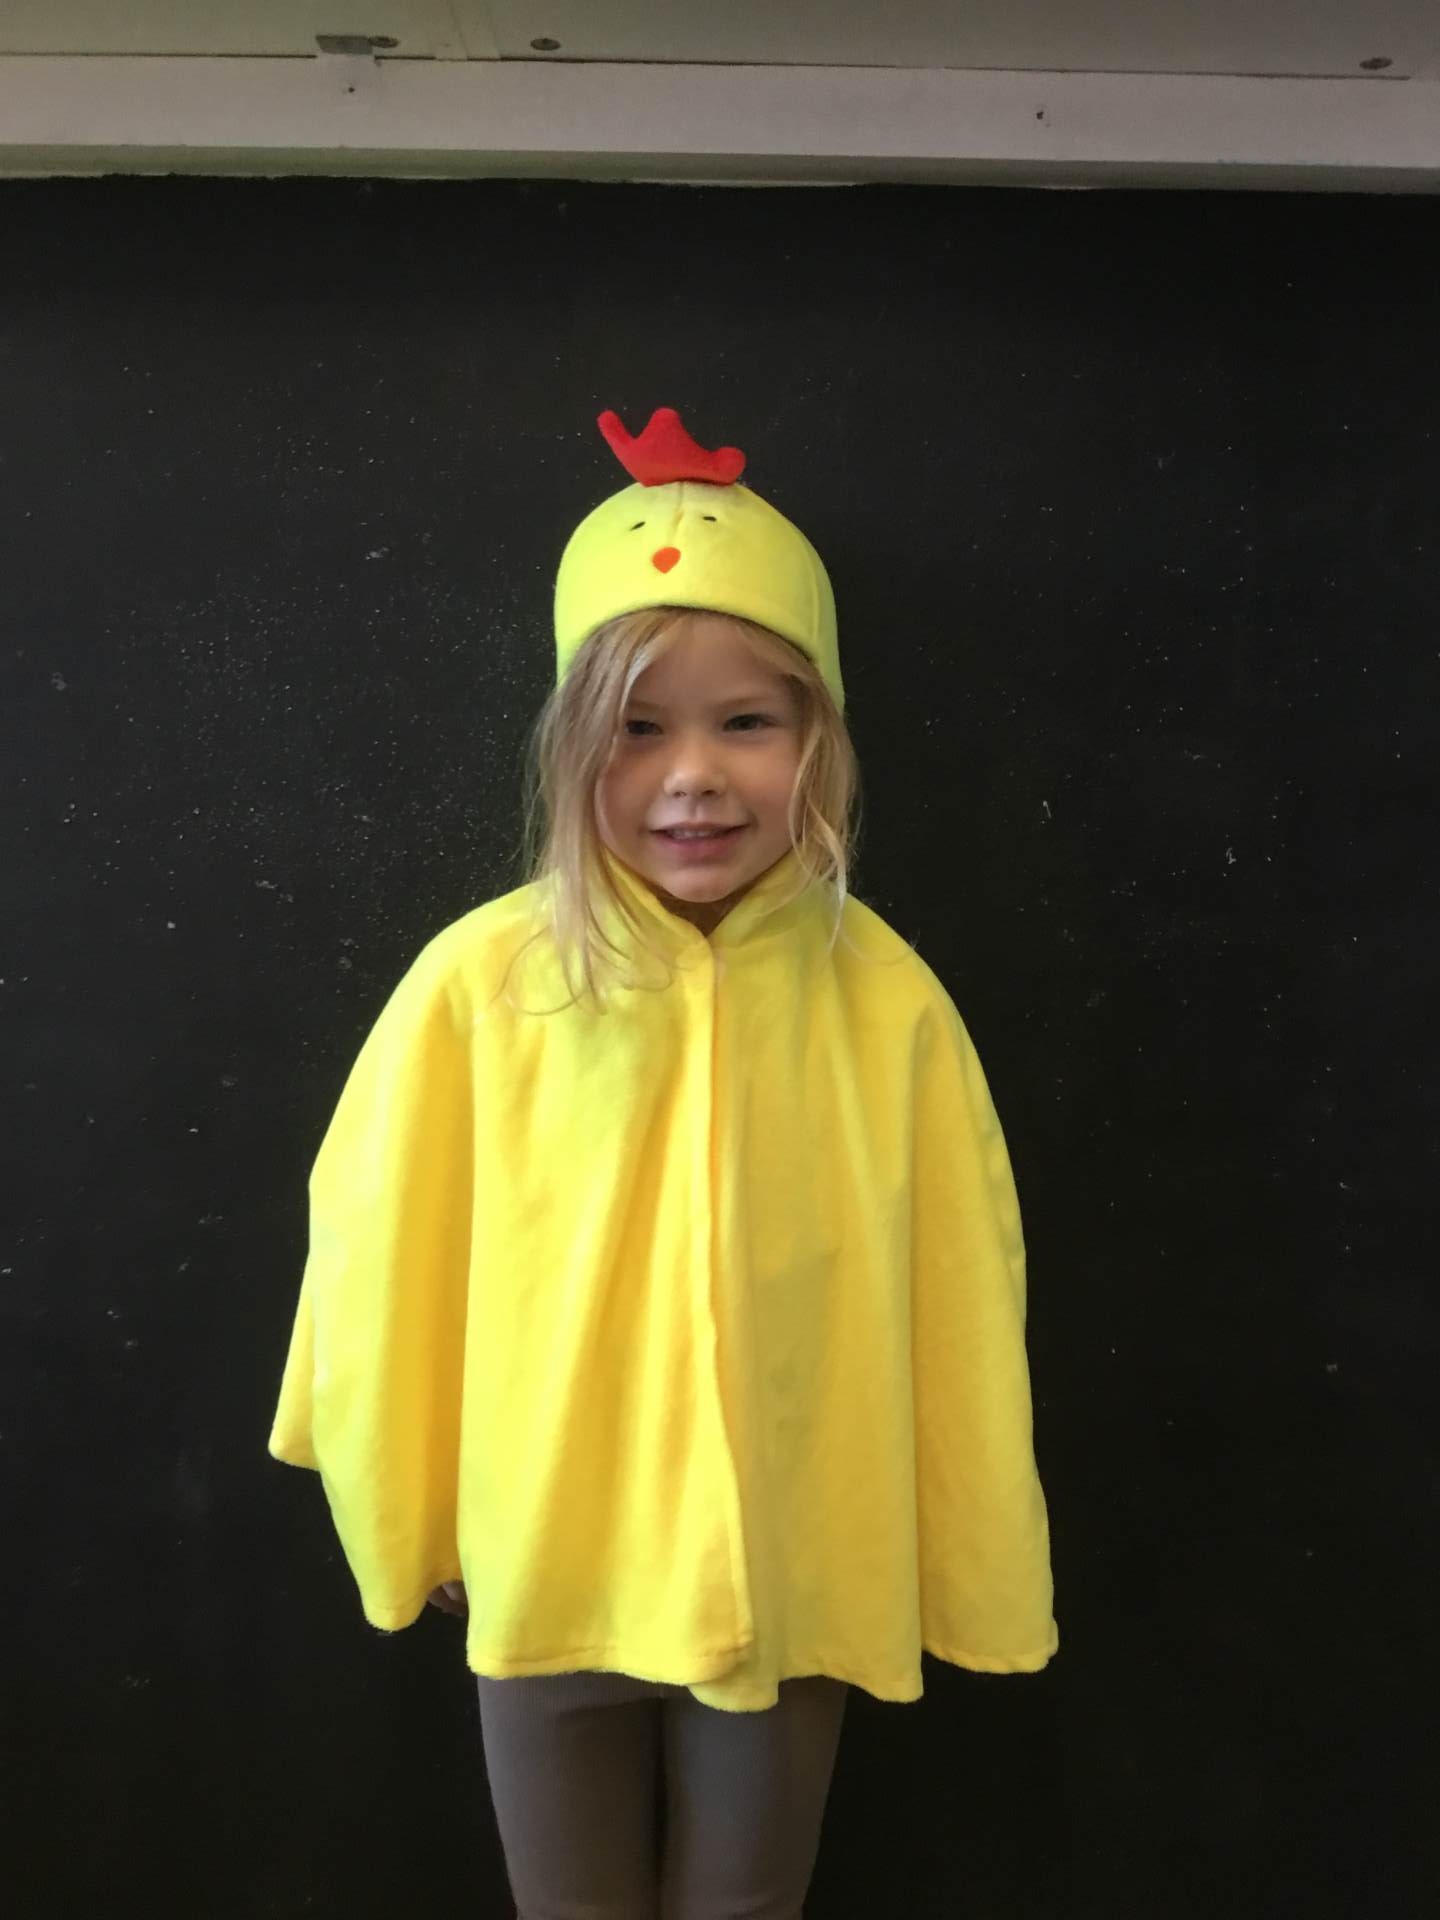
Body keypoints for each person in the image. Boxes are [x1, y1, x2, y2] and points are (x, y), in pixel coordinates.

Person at [268, 404, 1058, 1920]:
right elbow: (372, 1248)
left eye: (746, 723)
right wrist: (411, 1495)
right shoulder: (481, 986)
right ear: (572, 747)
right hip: (544, 1558)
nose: (693, 777)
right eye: (639, 729)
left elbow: (964, 1290)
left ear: (819, 742)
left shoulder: (883, 1000)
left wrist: (931, 1529)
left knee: (750, 1905)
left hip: (789, 1569)